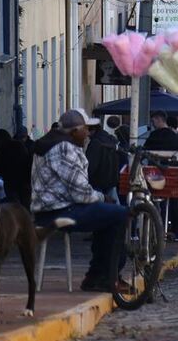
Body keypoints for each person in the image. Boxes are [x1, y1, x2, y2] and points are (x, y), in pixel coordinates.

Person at [31, 109, 130, 293]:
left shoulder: (48, 143)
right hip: (60, 211)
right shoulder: (64, 148)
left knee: (106, 216)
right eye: (86, 128)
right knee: (119, 214)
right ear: (75, 131)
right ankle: (105, 276)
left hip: (48, 209)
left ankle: (97, 274)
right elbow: (80, 193)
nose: (88, 133)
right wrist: (102, 197)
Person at [143, 111, 178, 242]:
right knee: (173, 203)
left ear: (159, 119)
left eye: (153, 120)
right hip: (173, 174)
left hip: (154, 174)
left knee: (157, 202)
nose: (152, 123)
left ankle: (161, 229)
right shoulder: (175, 136)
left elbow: (145, 151)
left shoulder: (154, 135)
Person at [0, 127, 33, 209]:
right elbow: (28, 161)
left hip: (11, 184)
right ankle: (26, 220)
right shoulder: (19, 145)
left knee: (15, 207)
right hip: (25, 181)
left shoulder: (0, 151)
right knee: (26, 205)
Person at [85, 118, 122, 203]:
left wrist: (86, 178)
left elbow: (91, 164)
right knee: (114, 206)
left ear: (93, 130)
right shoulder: (112, 140)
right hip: (112, 180)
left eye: (88, 131)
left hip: (97, 181)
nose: (87, 135)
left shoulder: (95, 143)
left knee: (99, 208)